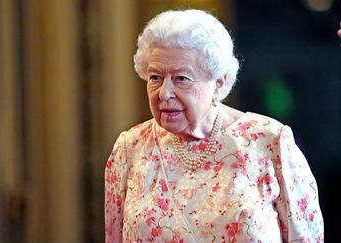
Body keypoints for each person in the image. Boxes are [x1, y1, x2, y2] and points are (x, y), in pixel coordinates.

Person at [105, 9, 324, 242]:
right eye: (155, 77)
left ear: (218, 84)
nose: (164, 93)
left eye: (181, 79)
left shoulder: (269, 142)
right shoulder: (130, 148)